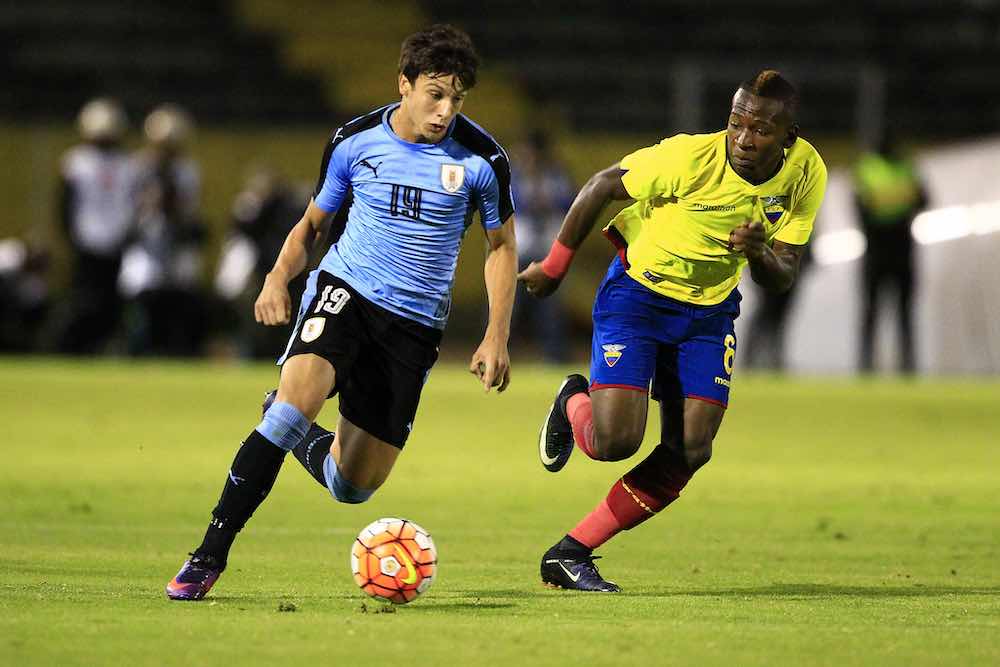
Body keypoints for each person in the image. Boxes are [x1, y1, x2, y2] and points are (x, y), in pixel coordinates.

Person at [166, 24, 517, 601]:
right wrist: (279, 277)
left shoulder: (482, 159)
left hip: (413, 326)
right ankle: (208, 556)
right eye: (435, 93)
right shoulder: (355, 141)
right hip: (345, 292)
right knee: (285, 416)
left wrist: (495, 335)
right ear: (403, 84)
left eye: (457, 98)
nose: (445, 110)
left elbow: (501, 248)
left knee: (353, 489)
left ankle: (303, 434)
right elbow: (312, 227)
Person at [519, 70, 827, 592]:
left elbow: (785, 274)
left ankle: (570, 553)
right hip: (639, 297)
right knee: (615, 442)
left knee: (691, 448)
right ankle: (575, 400)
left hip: (707, 314)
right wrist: (553, 266)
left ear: (788, 137)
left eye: (760, 130)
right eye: (736, 124)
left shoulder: (806, 172)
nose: (743, 139)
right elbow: (600, 186)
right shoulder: (688, 157)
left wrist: (757, 251)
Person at [120, 104, 208, 357]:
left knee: (179, 303)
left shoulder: (186, 170)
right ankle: (137, 350)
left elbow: (189, 209)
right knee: (142, 299)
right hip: (146, 243)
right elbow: (129, 207)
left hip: (177, 243)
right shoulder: (137, 167)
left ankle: (173, 350)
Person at [52, 98, 134, 354]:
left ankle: (100, 348)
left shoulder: (126, 164)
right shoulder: (76, 162)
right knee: (83, 302)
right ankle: (71, 349)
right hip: (86, 242)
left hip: (115, 242)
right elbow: (65, 206)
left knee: (111, 304)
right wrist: (71, 236)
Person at [214, 165, 311, 358]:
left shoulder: (287, 208)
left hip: (287, 272)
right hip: (264, 272)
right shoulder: (254, 210)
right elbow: (242, 233)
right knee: (260, 321)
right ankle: (255, 353)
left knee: (288, 320)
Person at [853, 133, 926, 374]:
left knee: (886, 310)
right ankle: (888, 364)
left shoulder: (869, 169)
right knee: (889, 310)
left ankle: (879, 364)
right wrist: (900, 208)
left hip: (887, 248)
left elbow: (924, 199)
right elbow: (922, 199)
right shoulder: (903, 168)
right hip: (889, 247)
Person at [510, 130, 575, 362]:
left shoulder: (556, 175)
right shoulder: (514, 176)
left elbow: (571, 202)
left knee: (550, 308)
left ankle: (555, 355)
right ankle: (498, 351)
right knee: (508, 304)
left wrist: (548, 202)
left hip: (548, 248)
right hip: (519, 247)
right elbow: (510, 203)